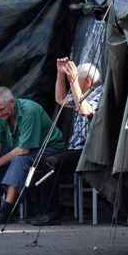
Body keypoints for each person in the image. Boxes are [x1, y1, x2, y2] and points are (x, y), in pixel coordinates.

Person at [0, 86, 66, 225]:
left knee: (19, 160)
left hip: (47, 149)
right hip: (20, 149)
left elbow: (24, 150)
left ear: (12, 102)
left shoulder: (30, 110)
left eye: (1, 110)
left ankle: (7, 210)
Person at [30, 59, 102, 226]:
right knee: (40, 160)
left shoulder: (101, 94)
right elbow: (60, 99)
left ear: (89, 82)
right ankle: (40, 211)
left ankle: (51, 214)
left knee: (50, 163)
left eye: (77, 81)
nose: (74, 84)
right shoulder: (84, 92)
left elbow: (85, 110)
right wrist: (61, 74)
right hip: (75, 149)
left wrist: (74, 81)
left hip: (90, 151)